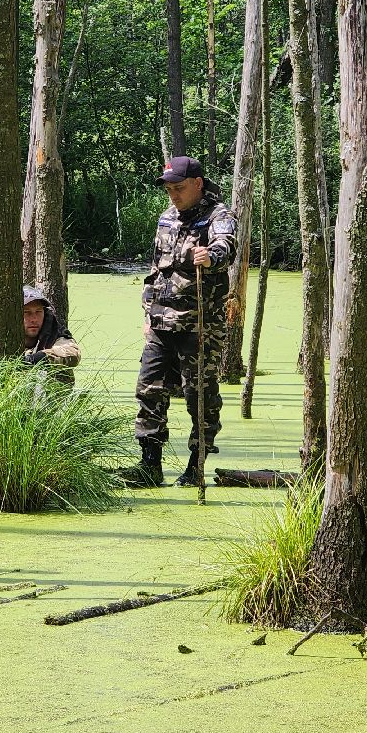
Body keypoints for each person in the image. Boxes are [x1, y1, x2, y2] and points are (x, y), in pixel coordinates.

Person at [121, 155, 238, 488]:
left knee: (198, 395)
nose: (174, 195)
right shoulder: (167, 218)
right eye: (169, 189)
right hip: (161, 322)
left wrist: (210, 256)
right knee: (149, 389)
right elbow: (156, 270)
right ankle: (150, 464)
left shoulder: (218, 215)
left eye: (180, 188)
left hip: (199, 325)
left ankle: (195, 465)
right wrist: (148, 312)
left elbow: (226, 246)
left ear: (197, 184)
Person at [0, 285, 81, 382]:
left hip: (45, 396)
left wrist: (34, 360)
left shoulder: (53, 332)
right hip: (4, 391)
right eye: (27, 313)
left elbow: (72, 352)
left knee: (60, 369)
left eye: (38, 312)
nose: (34, 319)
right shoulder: (2, 332)